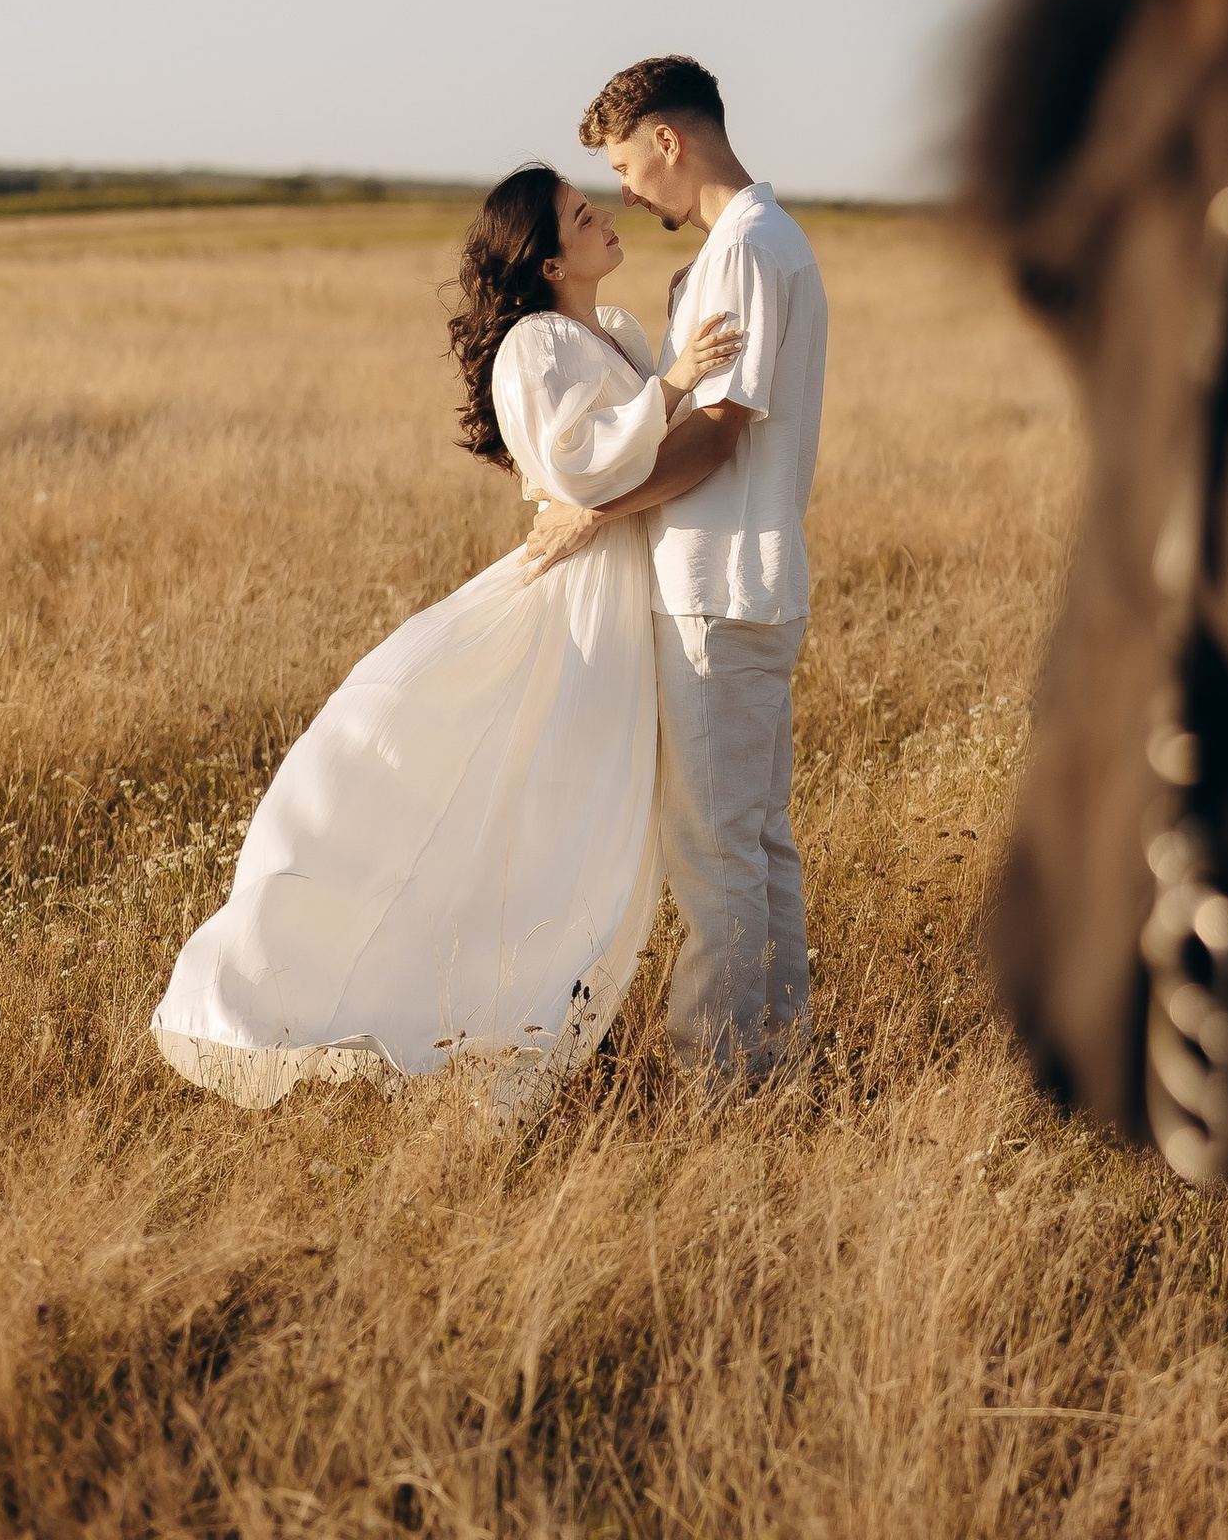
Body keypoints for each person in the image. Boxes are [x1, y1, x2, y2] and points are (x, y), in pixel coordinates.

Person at [149, 165, 742, 1113]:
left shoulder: (616, 332)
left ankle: (513, 1016)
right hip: (577, 597)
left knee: (586, 818)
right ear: (551, 261)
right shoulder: (533, 346)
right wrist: (672, 384)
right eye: (584, 216)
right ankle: (408, 1008)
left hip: (628, 592)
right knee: (524, 805)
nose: (605, 218)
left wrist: (671, 360)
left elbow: (648, 448)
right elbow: (580, 468)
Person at [523, 56, 827, 1078]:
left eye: (621, 164)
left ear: (668, 141)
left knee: (715, 855)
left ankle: (725, 1084)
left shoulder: (744, 249)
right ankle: (774, 1066)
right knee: (753, 841)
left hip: (719, 586)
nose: (621, 191)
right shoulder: (746, 246)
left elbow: (715, 435)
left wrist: (589, 512)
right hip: (744, 584)